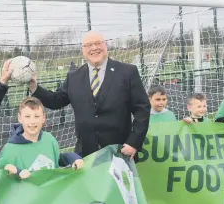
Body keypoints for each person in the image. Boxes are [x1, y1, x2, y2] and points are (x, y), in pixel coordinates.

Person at [28, 31, 150, 160]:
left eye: (98, 43)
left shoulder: (127, 72)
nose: (94, 48)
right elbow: (56, 101)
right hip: (86, 155)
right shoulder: (74, 77)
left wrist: (133, 143)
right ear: (82, 50)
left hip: (120, 152)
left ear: (105, 45)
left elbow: (142, 108)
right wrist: (33, 86)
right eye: (88, 45)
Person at [0, 97, 83, 179]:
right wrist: (15, 171)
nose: (32, 121)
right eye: (27, 117)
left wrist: (72, 157)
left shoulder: (49, 139)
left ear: (43, 118)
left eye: (37, 116)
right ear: (20, 118)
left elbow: (57, 159)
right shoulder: (10, 149)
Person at [147, 86, 182, 204]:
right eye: (157, 99)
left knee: (170, 192)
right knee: (154, 192)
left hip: (169, 160)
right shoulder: (144, 116)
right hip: (152, 163)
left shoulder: (171, 115)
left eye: (163, 99)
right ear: (149, 99)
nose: (161, 102)